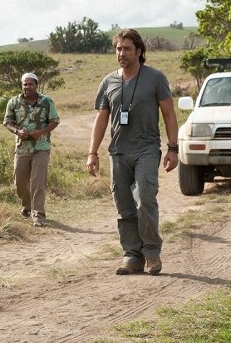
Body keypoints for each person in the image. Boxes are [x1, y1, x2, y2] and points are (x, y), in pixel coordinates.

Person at [86, 29, 178, 276]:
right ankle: (131, 256)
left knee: (145, 199)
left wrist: (172, 148)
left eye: (127, 48)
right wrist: (92, 153)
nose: (121, 53)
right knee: (124, 206)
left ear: (139, 51)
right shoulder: (108, 82)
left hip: (146, 149)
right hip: (118, 152)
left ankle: (151, 253)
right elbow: (101, 119)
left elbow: (169, 114)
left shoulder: (156, 78)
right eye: (118, 48)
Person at [3, 72, 60, 227]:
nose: (27, 87)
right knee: (19, 182)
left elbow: (55, 121)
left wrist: (40, 132)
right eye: (24, 84)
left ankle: (39, 215)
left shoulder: (46, 101)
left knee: (38, 182)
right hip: (21, 148)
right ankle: (27, 206)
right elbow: (7, 122)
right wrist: (17, 132)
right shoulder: (14, 102)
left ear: (36, 85)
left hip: (41, 148)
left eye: (30, 84)